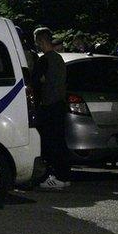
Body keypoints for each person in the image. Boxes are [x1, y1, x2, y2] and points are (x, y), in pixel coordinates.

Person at [33, 27, 70, 189]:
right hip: (60, 105)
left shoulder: (44, 60)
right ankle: (63, 175)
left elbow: (35, 83)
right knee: (60, 141)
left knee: (49, 143)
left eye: (37, 42)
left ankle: (56, 177)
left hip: (48, 107)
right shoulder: (59, 59)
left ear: (41, 41)